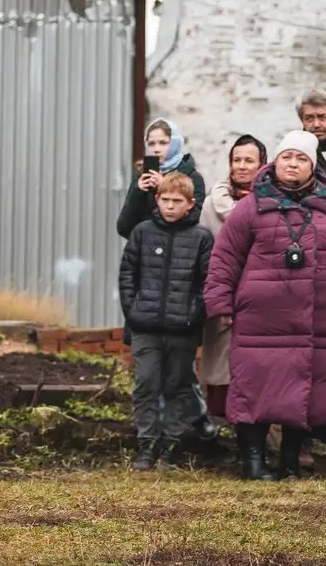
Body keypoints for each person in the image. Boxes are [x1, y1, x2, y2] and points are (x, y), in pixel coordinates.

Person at [203, 131, 326, 481]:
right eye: (286, 157)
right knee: (253, 387)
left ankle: (290, 463)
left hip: (315, 319)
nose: (292, 164)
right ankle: (252, 461)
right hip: (260, 316)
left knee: (304, 390)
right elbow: (226, 256)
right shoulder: (251, 205)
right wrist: (219, 302)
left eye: (301, 158)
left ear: (312, 166)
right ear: (274, 162)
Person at [119, 171, 215, 471]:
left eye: (177, 201)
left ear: (190, 204)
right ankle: (147, 445)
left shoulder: (201, 238)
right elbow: (127, 274)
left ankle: (171, 446)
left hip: (182, 331)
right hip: (145, 328)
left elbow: (206, 282)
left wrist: (194, 316)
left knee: (178, 387)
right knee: (146, 384)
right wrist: (133, 311)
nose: (170, 206)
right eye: (165, 200)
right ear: (156, 200)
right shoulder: (142, 232)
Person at [201, 135, 267, 419]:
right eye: (236, 160)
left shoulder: (272, 203)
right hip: (225, 297)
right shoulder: (211, 205)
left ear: (262, 165)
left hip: (262, 298)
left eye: (248, 160)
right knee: (222, 374)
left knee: (262, 376)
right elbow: (205, 255)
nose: (241, 166)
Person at [116, 118, 206, 239]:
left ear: (175, 143)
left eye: (163, 143)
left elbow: (194, 219)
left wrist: (163, 187)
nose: (156, 149)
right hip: (145, 249)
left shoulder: (192, 177)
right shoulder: (142, 175)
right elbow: (124, 228)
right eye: (151, 143)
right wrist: (138, 192)